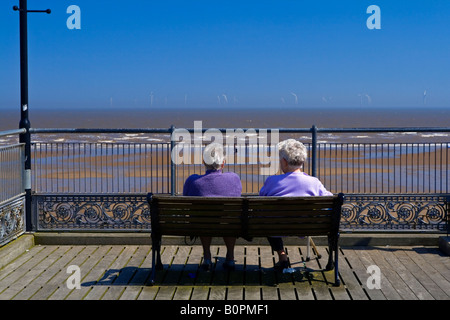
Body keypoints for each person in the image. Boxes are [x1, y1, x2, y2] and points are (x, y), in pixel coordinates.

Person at [259, 139, 332, 270]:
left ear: (284, 162)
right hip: (305, 228)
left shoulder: (272, 181)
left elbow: (261, 199)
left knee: (267, 222)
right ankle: (332, 261)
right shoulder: (313, 182)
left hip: (276, 228)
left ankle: (282, 255)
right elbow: (331, 202)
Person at [183, 142, 242, 271]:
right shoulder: (234, 178)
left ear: (204, 162)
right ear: (223, 163)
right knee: (229, 218)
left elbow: (185, 198)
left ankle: (207, 257)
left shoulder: (192, 180)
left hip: (202, 224)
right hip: (228, 224)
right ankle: (230, 257)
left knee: (203, 217)